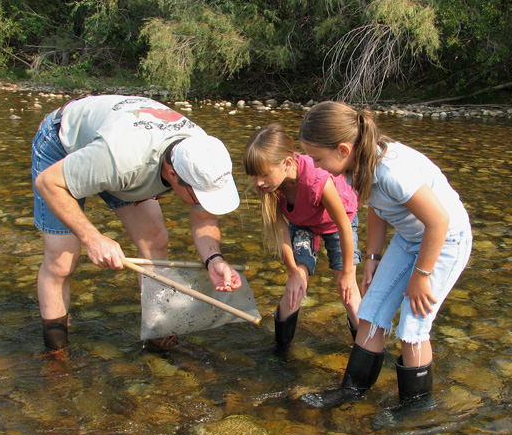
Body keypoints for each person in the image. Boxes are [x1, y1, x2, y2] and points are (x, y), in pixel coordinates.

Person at [32, 95, 242, 351]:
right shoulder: (119, 161)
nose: (204, 203)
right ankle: (56, 357)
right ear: (173, 175)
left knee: (156, 242)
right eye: (200, 196)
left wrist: (214, 259)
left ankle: (159, 337)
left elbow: (204, 216)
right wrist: (93, 238)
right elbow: (47, 183)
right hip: (62, 146)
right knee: (62, 260)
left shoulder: (202, 155)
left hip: (120, 151)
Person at [298, 101, 473, 407]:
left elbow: (439, 221)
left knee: (412, 328)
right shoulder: (356, 165)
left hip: (445, 241)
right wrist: (373, 259)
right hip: (410, 238)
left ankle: (415, 406)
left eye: (317, 158)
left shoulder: (391, 170)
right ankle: (350, 393)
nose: (315, 166)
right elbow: (376, 207)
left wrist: (421, 277)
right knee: (371, 312)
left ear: (342, 150)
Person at [243, 124, 361, 349]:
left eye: (263, 174)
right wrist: (293, 271)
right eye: (254, 175)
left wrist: (346, 273)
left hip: (337, 222)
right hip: (304, 221)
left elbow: (344, 227)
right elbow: (281, 231)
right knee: (295, 286)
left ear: (287, 164)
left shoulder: (318, 180)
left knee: (346, 289)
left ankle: (367, 349)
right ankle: (280, 351)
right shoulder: (269, 185)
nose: (258, 182)